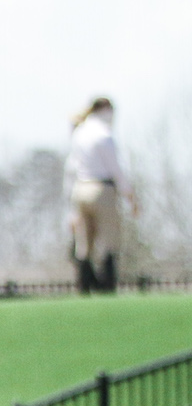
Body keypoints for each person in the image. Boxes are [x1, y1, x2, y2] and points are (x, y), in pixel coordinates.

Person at [66, 97, 133, 294]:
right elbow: (116, 169)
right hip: (101, 188)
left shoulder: (79, 134)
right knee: (109, 240)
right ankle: (107, 285)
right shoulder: (104, 135)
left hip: (80, 189)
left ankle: (85, 284)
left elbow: (72, 169)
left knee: (84, 242)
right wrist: (129, 194)